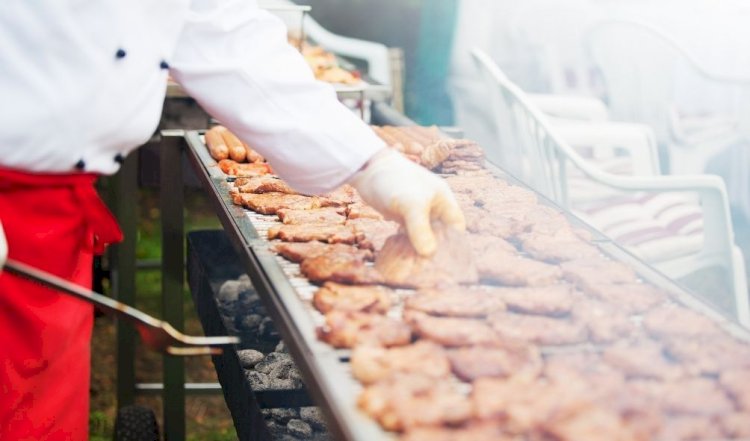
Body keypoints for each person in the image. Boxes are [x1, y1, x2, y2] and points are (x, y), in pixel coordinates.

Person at [0, 1, 465, 439]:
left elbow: (223, 33)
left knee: (35, 414)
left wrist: (369, 163)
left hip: (50, 228)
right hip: (11, 207)